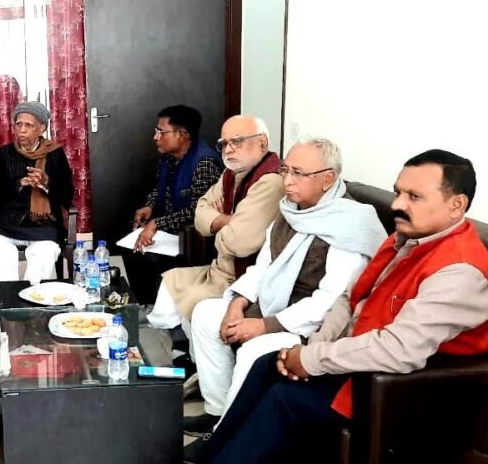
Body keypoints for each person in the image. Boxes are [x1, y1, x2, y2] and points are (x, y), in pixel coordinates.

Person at [187, 150, 488, 463]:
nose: (397, 205)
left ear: (456, 205)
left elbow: (398, 349)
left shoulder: (459, 270)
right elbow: (349, 298)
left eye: (414, 197)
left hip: (406, 389)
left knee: (286, 397)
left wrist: (312, 359)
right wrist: (314, 348)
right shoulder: (404, 240)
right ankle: (213, 451)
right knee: (267, 366)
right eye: (398, 193)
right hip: (357, 359)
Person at [182, 137, 386, 436]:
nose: (287, 181)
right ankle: (218, 411)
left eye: (298, 173)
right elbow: (263, 267)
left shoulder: (351, 223)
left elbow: (330, 302)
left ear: (328, 178)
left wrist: (264, 326)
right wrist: (237, 303)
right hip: (273, 305)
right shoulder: (291, 209)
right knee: (206, 314)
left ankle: (226, 432)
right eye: (285, 170)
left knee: (255, 350)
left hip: (314, 327)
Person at [147, 115, 285, 341]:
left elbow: (237, 243)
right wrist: (229, 220)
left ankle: (179, 350)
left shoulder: (270, 181)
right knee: (170, 282)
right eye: (224, 143)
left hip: (239, 278)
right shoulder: (231, 173)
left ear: (262, 143)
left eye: (237, 141)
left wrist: (216, 225)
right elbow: (200, 211)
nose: (228, 150)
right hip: (219, 268)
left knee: (191, 302)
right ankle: (169, 348)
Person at [126, 105, 223, 302]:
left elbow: (198, 210)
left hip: (193, 239)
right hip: (169, 232)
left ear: (183, 134)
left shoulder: (204, 163)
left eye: (161, 132)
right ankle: (141, 307)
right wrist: (150, 205)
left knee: (148, 261)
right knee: (133, 252)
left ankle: (154, 308)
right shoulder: (168, 158)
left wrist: (156, 223)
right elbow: (160, 188)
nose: (155, 137)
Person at [0, 101, 74, 286]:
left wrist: (46, 183)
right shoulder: (3, 154)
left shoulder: (55, 154)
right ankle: (8, 296)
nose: (22, 130)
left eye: (28, 125)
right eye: (19, 124)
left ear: (41, 129)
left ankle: (31, 297)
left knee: (45, 253)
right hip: (7, 224)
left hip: (44, 225)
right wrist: (19, 183)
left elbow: (67, 194)